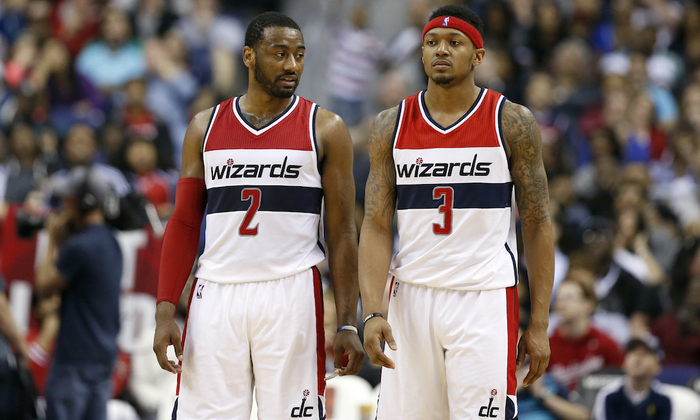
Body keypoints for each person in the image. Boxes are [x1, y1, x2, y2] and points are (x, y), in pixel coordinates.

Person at [152, 11, 364, 420]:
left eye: (299, 55)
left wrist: (347, 322)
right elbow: (184, 222)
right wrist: (164, 310)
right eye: (279, 53)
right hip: (216, 292)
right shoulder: (204, 127)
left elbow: (341, 233)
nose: (292, 65)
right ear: (249, 56)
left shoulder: (325, 128)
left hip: (291, 291)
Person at [359, 4, 554, 419]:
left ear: (478, 56)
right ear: (421, 53)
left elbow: (537, 225)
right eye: (432, 42)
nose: (441, 50)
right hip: (410, 297)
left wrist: (538, 323)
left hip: (483, 297)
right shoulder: (390, 124)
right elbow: (375, 224)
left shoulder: (511, 122)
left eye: (454, 42)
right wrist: (372, 310)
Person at [35, 168, 123, 420]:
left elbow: (44, 284)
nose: (63, 208)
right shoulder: (111, 241)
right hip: (103, 356)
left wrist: (52, 240)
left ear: (83, 202)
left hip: (75, 358)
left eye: (67, 201)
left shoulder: (80, 246)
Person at [548, 277, 624, 392]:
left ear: (588, 305)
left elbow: (622, 378)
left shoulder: (604, 343)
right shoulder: (548, 346)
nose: (561, 305)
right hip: (560, 402)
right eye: (558, 299)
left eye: (569, 298)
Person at [593, 336, 673, 420]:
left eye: (645, 354)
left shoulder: (664, 398)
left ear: (658, 366)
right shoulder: (608, 395)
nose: (637, 358)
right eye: (633, 352)